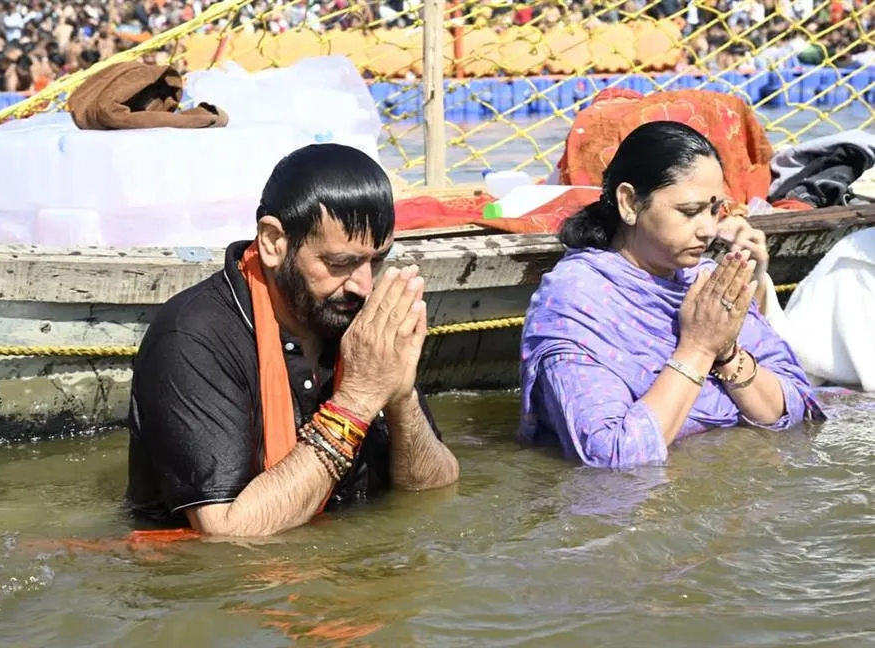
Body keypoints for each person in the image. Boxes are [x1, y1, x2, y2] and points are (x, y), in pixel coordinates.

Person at [126, 143, 460, 537]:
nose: (364, 286)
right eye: (340, 263)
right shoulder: (192, 337)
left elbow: (435, 489)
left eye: (377, 260)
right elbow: (226, 534)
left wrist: (400, 396)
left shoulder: (353, 315)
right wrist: (358, 400)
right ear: (272, 242)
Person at [519, 121, 824, 469]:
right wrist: (697, 349)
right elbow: (611, 456)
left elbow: (795, 407)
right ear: (630, 203)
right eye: (689, 212)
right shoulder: (576, 298)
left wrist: (725, 354)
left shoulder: (706, 281)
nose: (709, 229)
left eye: (714, 210)